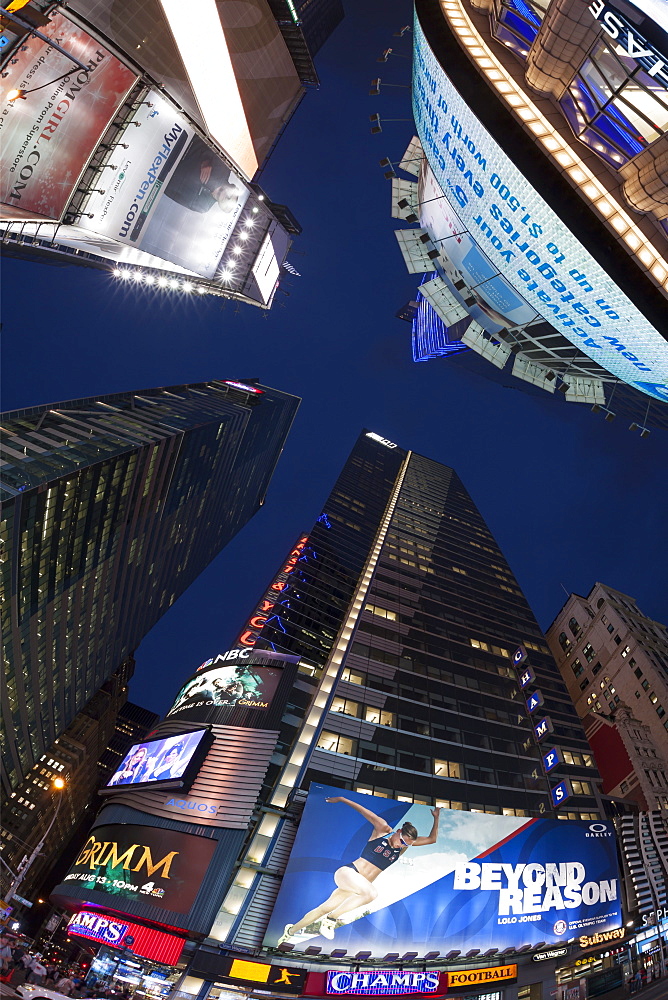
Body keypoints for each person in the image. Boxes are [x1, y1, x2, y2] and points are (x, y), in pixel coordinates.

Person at [279, 797, 441, 942]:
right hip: (348, 873)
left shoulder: (404, 847)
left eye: (406, 844)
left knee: (324, 908)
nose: (402, 845)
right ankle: (331, 920)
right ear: (398, 832)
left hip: (356, 887)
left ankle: (290, 931)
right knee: (371, 894)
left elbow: (432, 839)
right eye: (402, 841)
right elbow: (366, 812)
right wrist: (343, 799)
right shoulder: (383, 831)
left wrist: (436, 817)